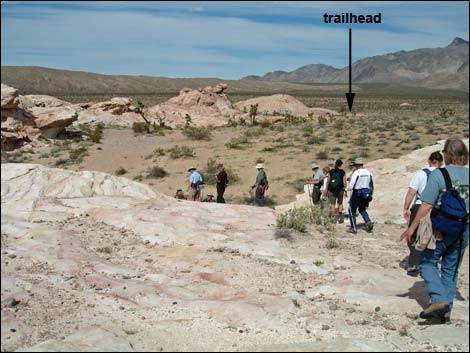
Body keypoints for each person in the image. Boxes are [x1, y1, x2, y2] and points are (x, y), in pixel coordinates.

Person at [400, 138, 468, 322]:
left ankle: (438, 300)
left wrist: (412, 228)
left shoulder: (440, 175)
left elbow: (426, 206)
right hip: (463, 229)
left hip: (441, 227)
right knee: (451, 269)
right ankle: (445, 313)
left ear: (447, 154)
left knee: (427, 263)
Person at [402, 151, 443, 276]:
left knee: (413, 235)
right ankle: (431, 264)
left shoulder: (421, 173)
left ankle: (414, 264)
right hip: (438, 208)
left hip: (421, 206)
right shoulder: (443, 174)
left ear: (429, 161)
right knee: (434, 236)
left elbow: (411, 192)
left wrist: (406, 208)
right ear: (441, 163)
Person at [346, 158, 374, 234]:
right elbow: (371, 184)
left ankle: (353, 227)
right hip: (366, 192)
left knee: (351, 209)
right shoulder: (368, 172)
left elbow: (351, 185)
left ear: (357, 165)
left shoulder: (356, 173)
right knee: (362, 208)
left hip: (357, 192)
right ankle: (368, 222)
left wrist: (346, 189)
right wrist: (371, 194)